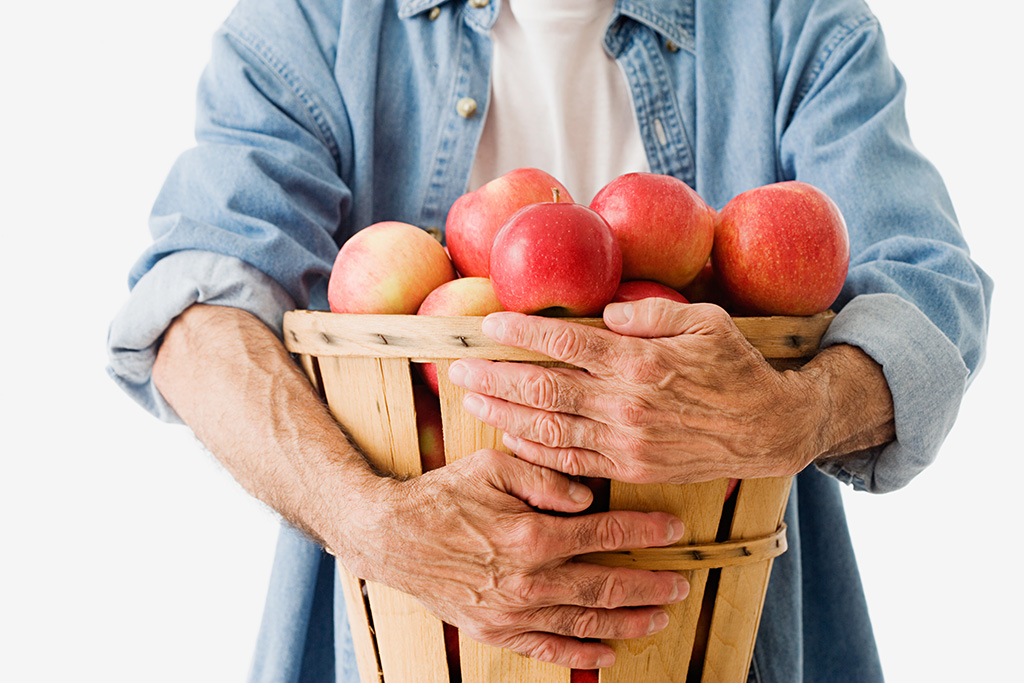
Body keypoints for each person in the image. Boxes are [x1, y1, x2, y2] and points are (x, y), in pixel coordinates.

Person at [106, 0, 992, 681]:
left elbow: (925, 280)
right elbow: (197, 307)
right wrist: (368, 521)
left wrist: (801, 411)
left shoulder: (786, 18)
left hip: (727, 636)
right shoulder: (319, 18)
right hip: (398, 638)